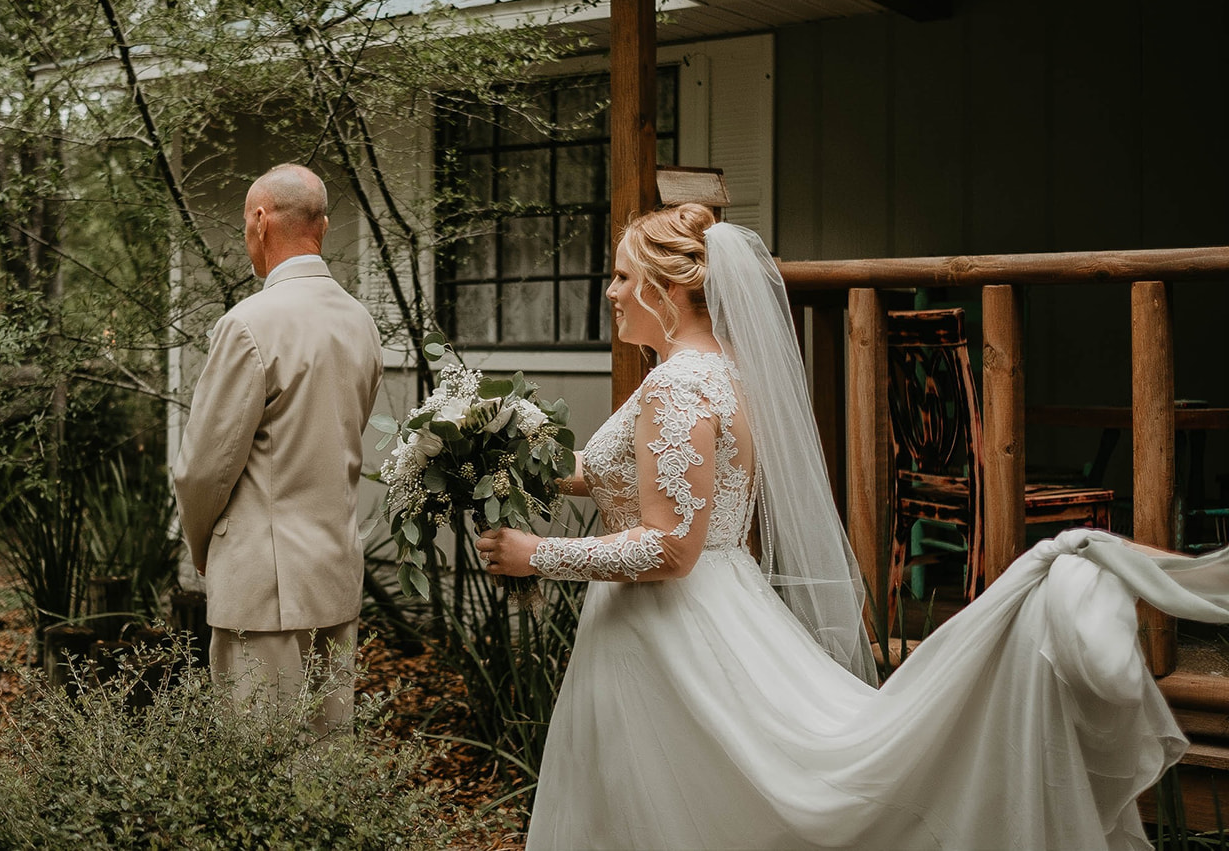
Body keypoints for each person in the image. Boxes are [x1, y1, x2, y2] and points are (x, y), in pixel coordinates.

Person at [476, 202, 1229, 850]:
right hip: (700, 611)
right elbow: (624, 474)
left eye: (620, 275)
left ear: (669, 289)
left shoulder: (678, 387)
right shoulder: (709, 370)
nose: (610, 290)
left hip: (671, 630)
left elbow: (672, 545)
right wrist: (503, 454)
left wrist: (535, 552)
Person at [174, 163, 383, 737]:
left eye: (247, 223)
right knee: (324, 759)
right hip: (334, 572)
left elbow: (202, 471)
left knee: (260, 771)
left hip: (261, 586)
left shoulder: (248, 325)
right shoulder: (359, 322)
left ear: (261, 221)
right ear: (322, 225)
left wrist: (201, 547)